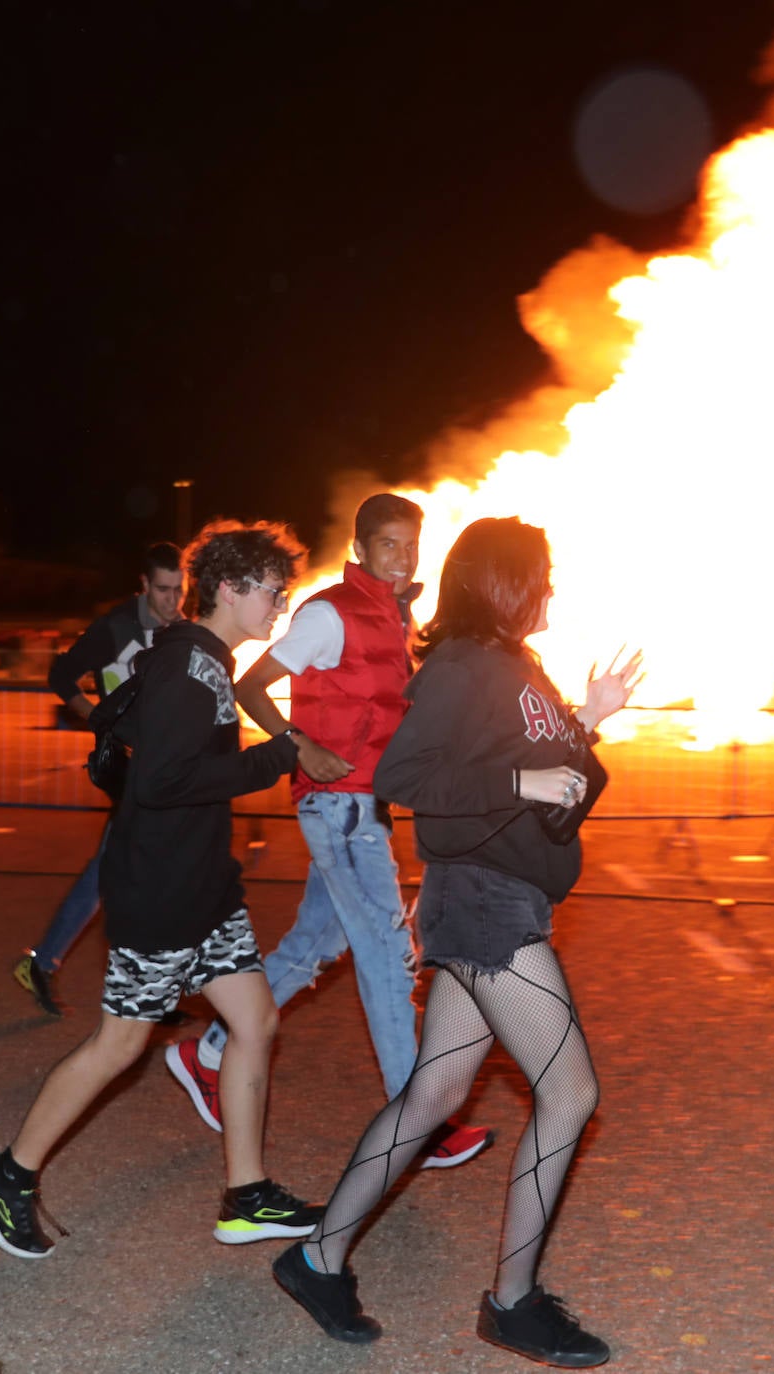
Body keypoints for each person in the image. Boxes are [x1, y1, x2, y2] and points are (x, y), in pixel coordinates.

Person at [271, 516, 641, 1368]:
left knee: (432, 1097)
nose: (550, 588)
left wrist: (586, 717)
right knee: (571, 1095)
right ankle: (513, 1303)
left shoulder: (522, 671)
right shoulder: (461, 665)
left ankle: (317, 1258)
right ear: (504, 580)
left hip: (504, 896)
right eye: (539, 574)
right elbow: (403, 776)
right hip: (482, 904)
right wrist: (522, 775)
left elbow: (547, 778)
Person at [0, 519, 328, 1259]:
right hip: (159, 892)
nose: (279, 607)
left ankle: (246, 1195)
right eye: (271, 592)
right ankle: (6, 1174)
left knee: (254, 1022)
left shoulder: (208, 665)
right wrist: (273, 760)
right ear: (228, 589)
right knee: (119, 1043)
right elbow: (161, 782)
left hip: (201, 888)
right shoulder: (189, 670)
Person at [164, 494, 491, 1170]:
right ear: (363, 548)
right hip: (339, 805)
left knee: (317, 942)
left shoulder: (391, 616)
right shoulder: (327, 612)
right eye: (390, 545)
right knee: (386, 953)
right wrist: (299, 745)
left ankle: (210, 1052)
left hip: (364, 804)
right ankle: (417, 1115)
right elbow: (253, 685)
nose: (402, 559)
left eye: (411, 546)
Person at [12, 541, 187, 1017]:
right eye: (164, 590)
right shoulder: (114, 628)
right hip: (126, 766)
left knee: (116, 871)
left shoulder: (180, 629)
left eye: (180, 590)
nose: (173, 601)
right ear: (145, 586)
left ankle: (46, 964)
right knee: (139, 870)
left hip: (162, 764)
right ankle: (148, 986)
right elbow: (61, 675)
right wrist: (99, 718)